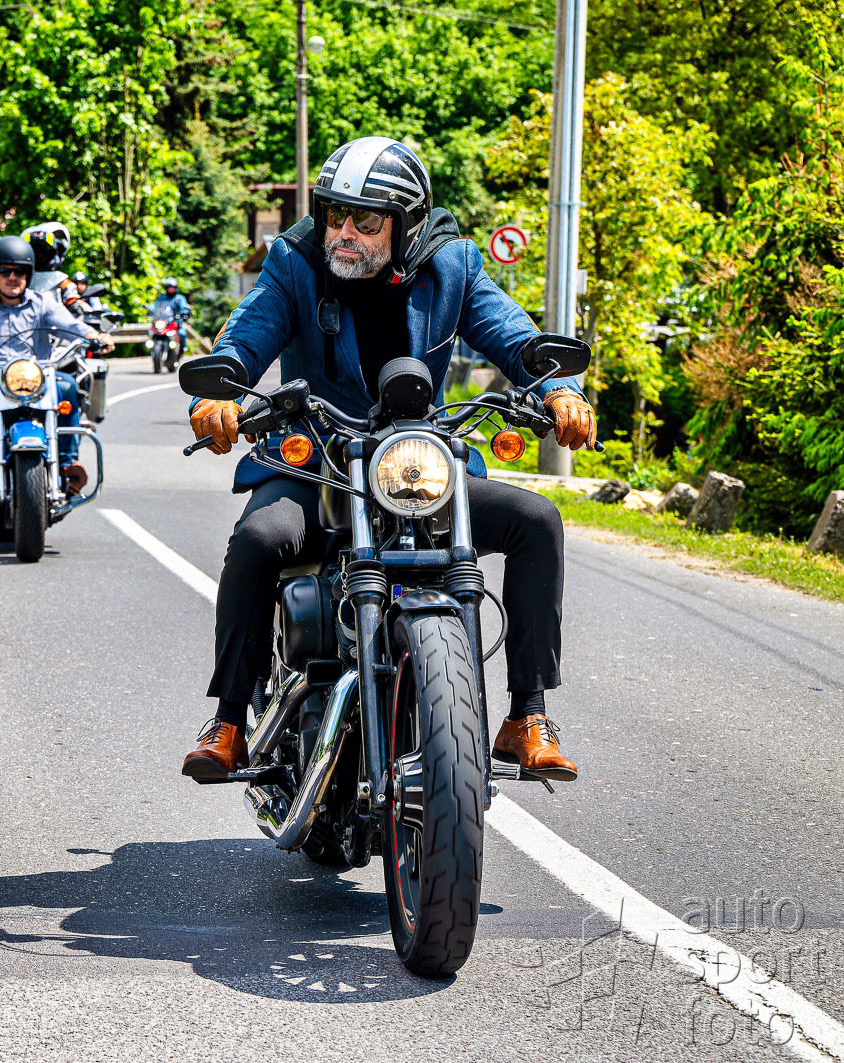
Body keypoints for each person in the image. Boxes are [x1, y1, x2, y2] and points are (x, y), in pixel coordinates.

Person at [182, 136, 597, 783]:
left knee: (536, 520)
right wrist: (220, 392)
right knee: (260, 538)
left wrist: (559, 389)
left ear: (405, 225)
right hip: (317, 462)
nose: (343, 232)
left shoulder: (453, 263)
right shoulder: (295, 261)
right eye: (334, 214)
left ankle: (527, 715)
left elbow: (514, 336)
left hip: (414, 465)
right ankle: (229, 719)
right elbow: (247, 333)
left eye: (365, 220)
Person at [0, 235, 111, 496]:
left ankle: (67, 463)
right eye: (5, 271)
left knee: (67, 386)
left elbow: (69, 324)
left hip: (34, 379)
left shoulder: (41, 302)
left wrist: (93, 336)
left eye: (19, 271)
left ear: (28, 274)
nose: (12, 277)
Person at [149, 277, 190, 367]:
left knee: (182, 333)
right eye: (169, 288)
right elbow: (154, 305)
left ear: (176, 288)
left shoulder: (179, 298)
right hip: (163, 323)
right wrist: (150, 310)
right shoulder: (162, 298)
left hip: (175, 323)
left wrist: (184, 312)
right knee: (150, 332)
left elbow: (183, 307)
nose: (171, 290)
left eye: (172, 288)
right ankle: (155, 353)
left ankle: (181, 350)